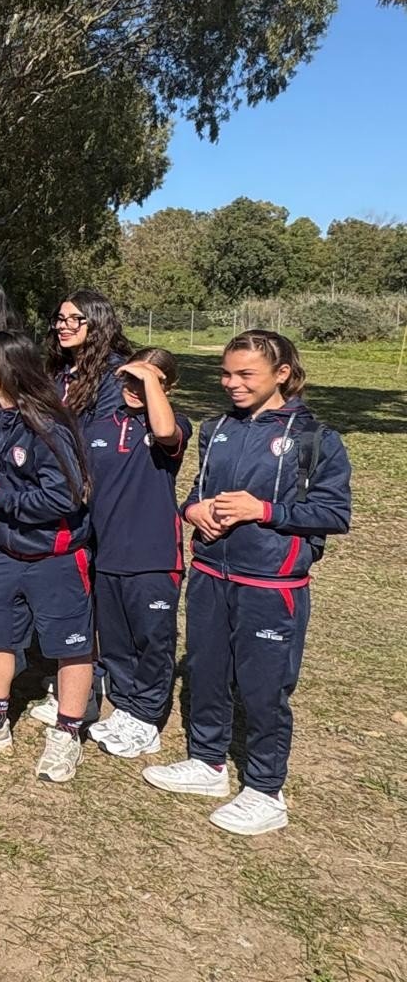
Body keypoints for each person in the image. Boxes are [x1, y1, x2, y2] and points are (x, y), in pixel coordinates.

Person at [144, 331, 352, 836]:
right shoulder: (217, 428)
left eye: (245, 375)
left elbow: (333, 512)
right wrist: (192, 509)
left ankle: (265, 789)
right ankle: (208, 763)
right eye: (226, 374)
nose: (231, 384)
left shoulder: (314, 438)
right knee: (206, 671)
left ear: (281, 374)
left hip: (271, 583)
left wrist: (264, 511)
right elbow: (197, 490)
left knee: (263, 688)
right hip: (212, 573)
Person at [0, 330, 94, 784]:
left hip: (55, 556)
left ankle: (68, 732)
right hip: (1, 550)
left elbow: (67, 498)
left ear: (7, 371)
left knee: (72, 647)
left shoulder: (48, 425)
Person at [80, 347, 191, 759]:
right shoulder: (100, 426)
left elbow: (164, 433)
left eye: (146, 381)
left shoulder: (174, 423)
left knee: (152, 639)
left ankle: (146, 718)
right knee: (115, 639)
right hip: (106, 551)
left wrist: (148, 380)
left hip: (153, 554)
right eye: (128, 379)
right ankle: (125, 706)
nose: (133, 388)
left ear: (167, 387)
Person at [49, 288, 131, 425]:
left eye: (75, 319)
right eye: (60, 319)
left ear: (96, 323)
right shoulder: (59, 368)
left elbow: (103, 431)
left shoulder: (113, 374)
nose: (62, 326)